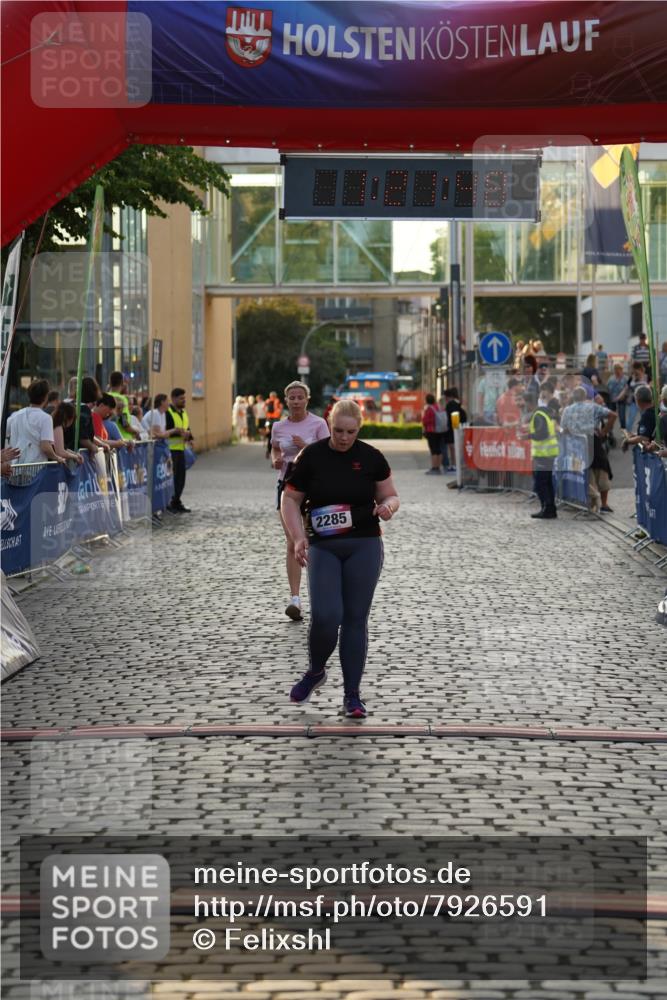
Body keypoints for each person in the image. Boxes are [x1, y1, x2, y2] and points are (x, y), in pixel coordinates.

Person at [281, 399, 399, 719]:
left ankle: (352, 695)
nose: (344, 438)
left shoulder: (371, 457)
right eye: (338, 431)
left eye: (351, 432)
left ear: (359, 429)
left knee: (355, 620)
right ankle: (316, 671)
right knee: (325, 616)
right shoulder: (312, 456)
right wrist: (297, 538)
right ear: (329, 425)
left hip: (364, 543)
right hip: (323, 545)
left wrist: (388, 506)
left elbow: (390, 494)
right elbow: (290, 499)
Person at [271, 381, 330, 621]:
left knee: (317, 541)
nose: (296, 401)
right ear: (286, 401)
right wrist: (276, 459)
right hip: (286, 484)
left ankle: (321, 595)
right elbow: (275, 449)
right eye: (292, 398)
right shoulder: (278, 426)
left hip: (314, 487)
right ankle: (295, 599)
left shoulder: (318, 424)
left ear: (307, 399)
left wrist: (305, 447)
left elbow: (328, 454)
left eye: (300, 397)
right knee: (292, 540)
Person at [5, 379, 65, 466]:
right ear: (46, 397)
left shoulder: (15, 415)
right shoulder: (46, 418)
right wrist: (57, 458)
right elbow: (45, 447)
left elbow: (4, 433)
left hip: (16, 467)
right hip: (36, 469)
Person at [521, 392, 559, 519]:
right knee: (546, 482)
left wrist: (528, 436)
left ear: (529, 403)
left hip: (544, 454)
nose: (524, 406)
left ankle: (547, 508)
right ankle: (550, 509)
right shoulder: (542, 413)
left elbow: (542, 434)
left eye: (524, 403)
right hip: (547, 453)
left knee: (540, 484)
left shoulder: (538, 415)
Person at [165, 387, 193, 513]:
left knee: (181, 478)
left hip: (181, 449)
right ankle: (171, 502)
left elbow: (186, 427)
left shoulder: (183, 412)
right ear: (174, 399)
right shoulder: (168, 413)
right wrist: (180, 434)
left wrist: (190, 437)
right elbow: (166, 431)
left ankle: (177, 501)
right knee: (173, 478)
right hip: (171, 450)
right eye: (181, 398)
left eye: (184, 398)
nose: (184, 401)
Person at [107, 371, 138, 441]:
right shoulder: (122, 399)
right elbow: (124, 422)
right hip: (123, 439)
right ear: (122, 383)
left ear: (110, 383)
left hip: (109, 438)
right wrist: (135, 431)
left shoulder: (106, 396)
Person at [421, 393, 443, 474]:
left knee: (433, 450)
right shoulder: (438, 407)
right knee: (439, 450)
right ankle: (439, 467)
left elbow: (425, 421)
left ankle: (434, 468)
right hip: (440, 431)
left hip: (431, 431)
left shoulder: (429, 409)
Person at [606, 363, 628, 430]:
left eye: (619, 370)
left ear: (621, 370)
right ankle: (609, 430)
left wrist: (621, 396)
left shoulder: (625, 379)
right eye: (616, 370)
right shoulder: (611, 379)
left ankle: (623, 429)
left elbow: (627, 389)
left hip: (621, 399)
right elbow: (608, 389)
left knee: (622, 416)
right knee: (611, 416)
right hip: (612, 399)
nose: (617, 372)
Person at [264, 391, 283, 458]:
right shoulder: (278, 402)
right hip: (276, 421)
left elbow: (265, 412)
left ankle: (269, 451)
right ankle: (275, 453)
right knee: (276, 437)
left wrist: (266, 427)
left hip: (269, 420)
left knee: (269, 437)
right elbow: (280, 412)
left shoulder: (267, 402)